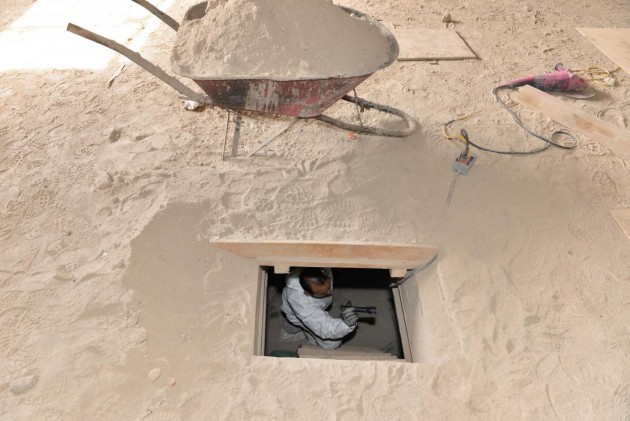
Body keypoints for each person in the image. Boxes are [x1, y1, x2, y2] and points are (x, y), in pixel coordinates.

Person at [280, 267, 358, 349]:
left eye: (329, 286)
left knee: (301, 322)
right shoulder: (299, 301)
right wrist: (345, 325)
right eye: (323, 293)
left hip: (311, 308)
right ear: (307, 293)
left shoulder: (322, 270)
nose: (330, 292)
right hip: (297, 315)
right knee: (332, 343)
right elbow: (324, 327)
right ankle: (287, 334)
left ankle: (295, 328)